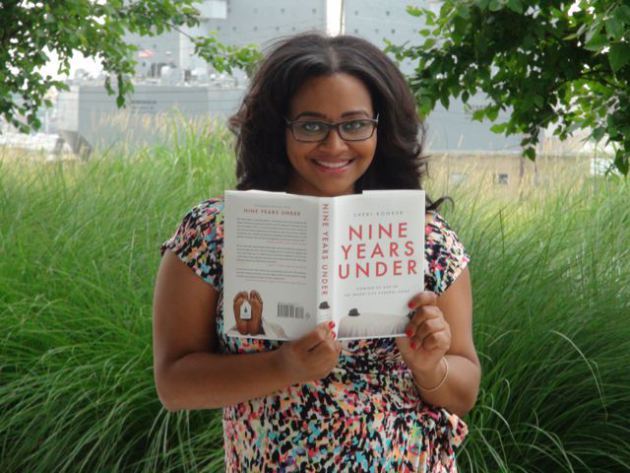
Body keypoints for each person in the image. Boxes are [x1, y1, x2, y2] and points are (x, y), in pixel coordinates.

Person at [153, 32, 480, 472]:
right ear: (278, 128)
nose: (334, 145)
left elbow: (463, 394)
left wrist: (428, 365)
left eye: (355, 124)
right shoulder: (214, 232)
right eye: (310, 125)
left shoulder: (428, 239)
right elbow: (174, 385)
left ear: (380, 129)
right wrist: (283, 366)